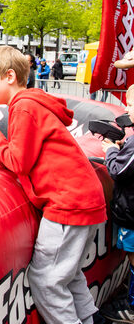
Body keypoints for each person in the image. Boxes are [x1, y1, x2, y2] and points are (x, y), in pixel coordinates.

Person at [0, 46, 106, 324]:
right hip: (82, 199)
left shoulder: (24, 107)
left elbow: (18, 161)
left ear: (9, 76)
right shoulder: (32, 103)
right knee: (68, 274)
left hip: (68, 204)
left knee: (45, 279)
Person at [99, 84, 134, 322]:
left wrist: (111, 150)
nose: (127, 109)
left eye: (130, 105)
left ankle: (132, 308)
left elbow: (118, 170)